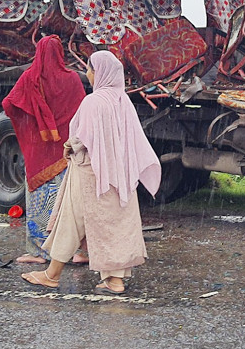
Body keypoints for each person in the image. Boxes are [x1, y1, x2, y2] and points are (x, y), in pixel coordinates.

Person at [21, 51, 160, 293]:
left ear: (100, 73)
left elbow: (82, 139)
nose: (87, 74)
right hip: (121, 173)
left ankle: (51, 275)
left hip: (91, 172)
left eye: (90, 69)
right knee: (115, 222)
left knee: (71, 220)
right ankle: (115, 279)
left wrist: (68, 146)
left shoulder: (93, 102)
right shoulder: (123, 100)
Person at [2, 35, 86, 264]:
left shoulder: (30, 78)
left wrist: (31, 122)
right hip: (67, 152)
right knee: (68, 203)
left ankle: (39, 252)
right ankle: (74, 251)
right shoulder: (73, 80)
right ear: (61, 53)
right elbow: (82, 113)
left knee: (40, 204)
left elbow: (9, 104)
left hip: (39, 152)